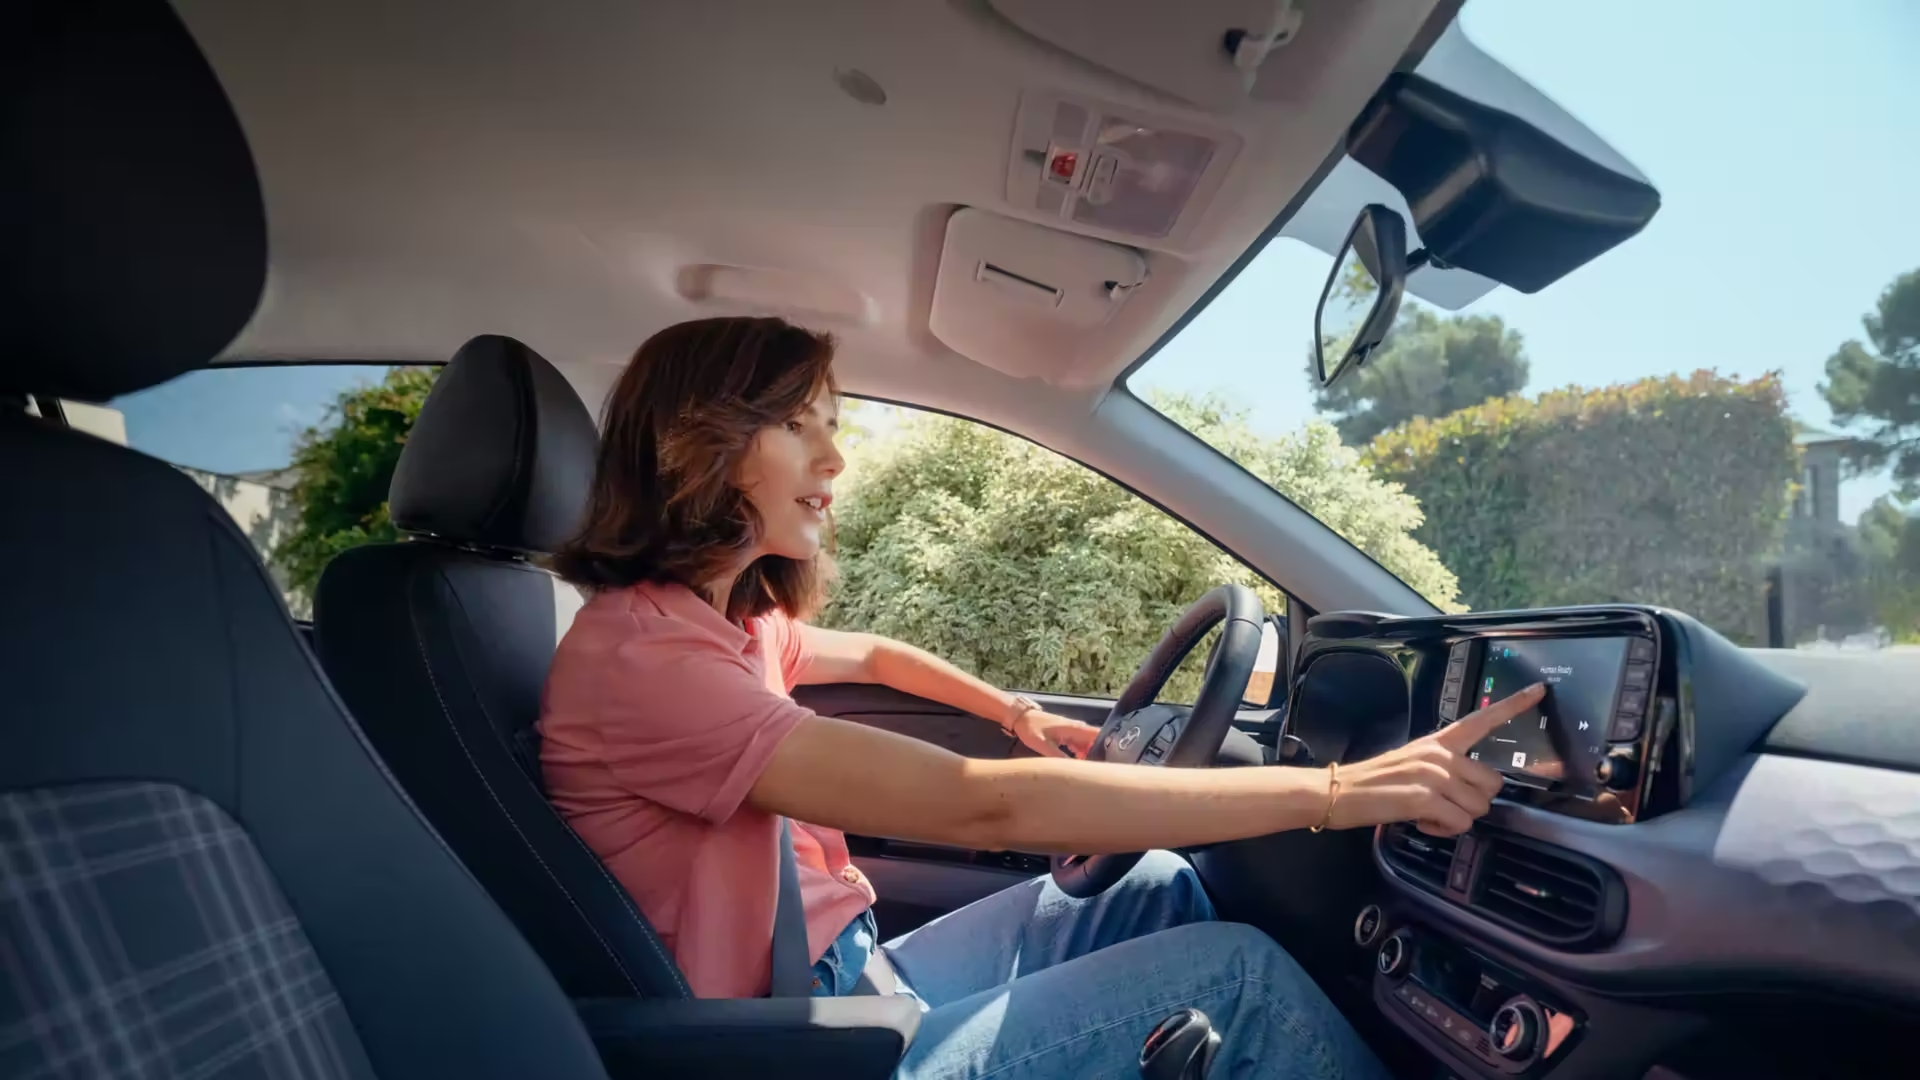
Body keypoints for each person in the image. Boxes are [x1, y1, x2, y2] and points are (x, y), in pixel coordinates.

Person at [538, 316, 1537, 1079]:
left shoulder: (725, 625)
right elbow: (989, 803)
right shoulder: (647, 662)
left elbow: (880, 655)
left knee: (1152, 886)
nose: (834, 460)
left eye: (830, 428)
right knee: (1240, 979)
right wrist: (1339, 793)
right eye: (799, 428)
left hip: (853, 974)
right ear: (698, 442)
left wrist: (1013, 712)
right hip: (800, 1045)